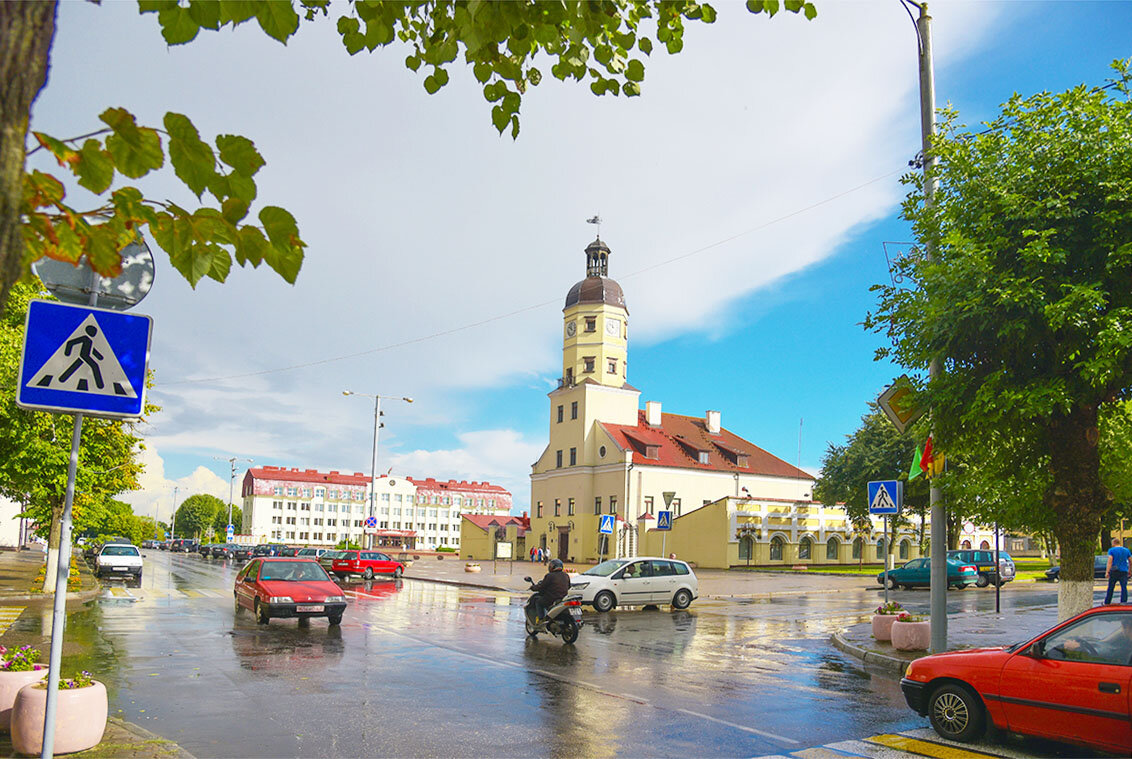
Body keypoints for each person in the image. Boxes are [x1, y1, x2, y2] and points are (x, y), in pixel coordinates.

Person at [530, 558, 571, 622]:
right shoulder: (566, 575)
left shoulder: (550, 576)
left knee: (538, 602)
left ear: (552, 567)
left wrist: (533, 587)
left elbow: (542, 586)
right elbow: (569, 586)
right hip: (563, 598)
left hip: (551, 598)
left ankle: (541, 619)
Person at [1105, 538, 1131, 605]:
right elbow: (1131, 561)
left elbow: (1110, 561)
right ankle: (1123, 602)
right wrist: (1130, 570)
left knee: (1111, 587)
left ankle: (1107, 602)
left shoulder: (1111, 550)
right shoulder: (1126, 550)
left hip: (1114, 571)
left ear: (1113, 543)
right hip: (1124, 571)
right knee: (1124, 587)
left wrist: (1107, 572)